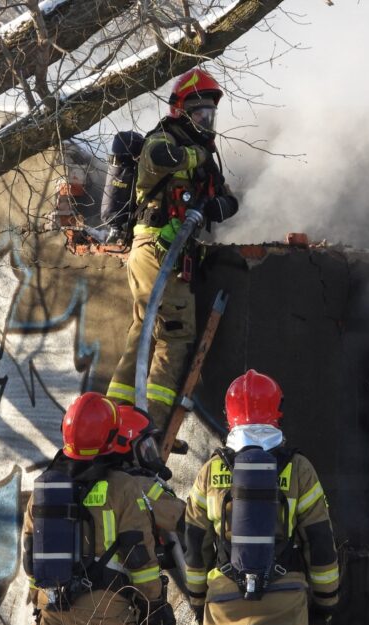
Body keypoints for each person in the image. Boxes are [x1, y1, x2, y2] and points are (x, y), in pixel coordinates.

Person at [183, 370, 340, 625]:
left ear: (229, 415)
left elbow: (195, 544)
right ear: (277, 412)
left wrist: (199, 599)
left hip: (224, 600)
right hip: (284, 598)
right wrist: (326, 600)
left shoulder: (210, 471)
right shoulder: (298, 468)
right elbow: (320, 541)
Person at [22, 393, 175, 625]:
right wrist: (154, 603)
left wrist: (40, 601)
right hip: (105, 611)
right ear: (111, 437)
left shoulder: (44, 487)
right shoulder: (123, 486)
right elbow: (140, 557)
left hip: (53, 610)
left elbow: (30, 557)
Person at [107, 68, 239, 434]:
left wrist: (217, 206)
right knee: (175, 334)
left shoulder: (204, 156)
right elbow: (160, 158)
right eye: (200, 114)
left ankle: (116, 421)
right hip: (156, 246)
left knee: (144, 329)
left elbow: (229, 199)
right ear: (181, 111)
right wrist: (198, 157)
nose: (207, 122)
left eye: (211, 115)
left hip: (173, 254)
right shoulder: (163, 139)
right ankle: (151, 428)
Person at [83, 405, 186, 625]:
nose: (150, 454)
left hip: (84, 603)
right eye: (145, 446)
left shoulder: (85, 481)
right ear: (128, 446)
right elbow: (179, 515)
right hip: (128, 602)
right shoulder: (138, 485)